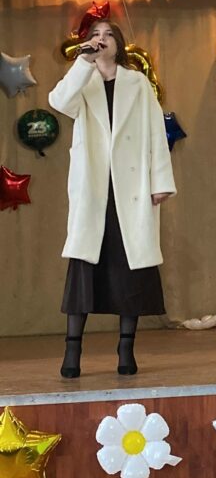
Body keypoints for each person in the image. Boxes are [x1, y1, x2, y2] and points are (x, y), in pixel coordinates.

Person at [49, 20, 176, 378]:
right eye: (95, 35)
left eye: (107, 35)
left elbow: (156, 134)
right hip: (93, 186)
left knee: (129, 268)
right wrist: (83, 62)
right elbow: (58, 102)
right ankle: (72, 350)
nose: (101, 39)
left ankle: (125, 348)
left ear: (119, 44)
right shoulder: (82, 81)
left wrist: (160, 181)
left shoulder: (139, 84)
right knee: (84, 267)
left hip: (130, 187)